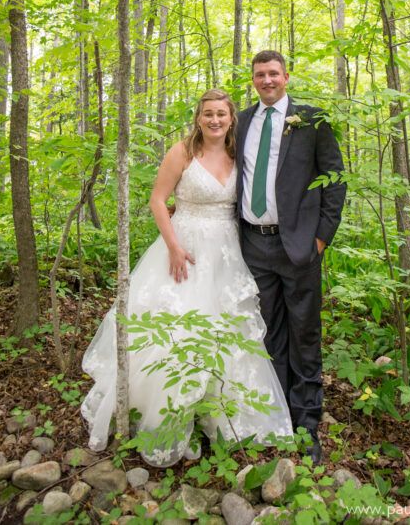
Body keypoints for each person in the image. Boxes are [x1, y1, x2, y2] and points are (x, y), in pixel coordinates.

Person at [81, 88, 293, 465]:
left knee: (224, 328)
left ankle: (220, 413)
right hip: (184, 249)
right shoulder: (181, 151)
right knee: (176, 325)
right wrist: (175, 246)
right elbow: (158, 200)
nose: (215, 120)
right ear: (198, 117)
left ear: (231, 119)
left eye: (222, 114)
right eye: (208, 113)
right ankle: (166, 413)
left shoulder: (236, 153)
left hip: (226, 251)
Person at [236, 51, 347, 465]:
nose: (266, 80)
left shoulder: (312, 120)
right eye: (259, 75)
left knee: (304, 333)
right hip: (252, 244)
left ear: (286, 77)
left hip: (299, 245)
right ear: (253, 80)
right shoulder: (242, 121)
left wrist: (321, 239)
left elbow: (335, 182)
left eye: (273, 74)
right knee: (266, 332)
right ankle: (274, 414)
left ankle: (307, 423)